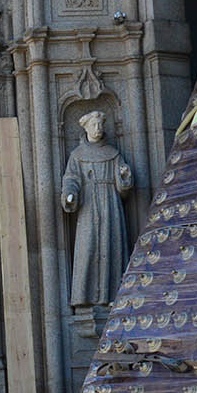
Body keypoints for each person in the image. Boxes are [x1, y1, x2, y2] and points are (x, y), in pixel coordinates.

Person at [60, 109, 134, 308]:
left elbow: (124, 186)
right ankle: (85, 296)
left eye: (101, 125)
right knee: (89, 248)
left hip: (111, 205)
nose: (98, 128)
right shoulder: (77, 156)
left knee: (111, 247)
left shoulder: (114, 154)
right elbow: (71, 179)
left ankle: (113, 295)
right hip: (88, 207)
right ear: (86, 128)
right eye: (94, 125)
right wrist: (70, 194)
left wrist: (124, 176)